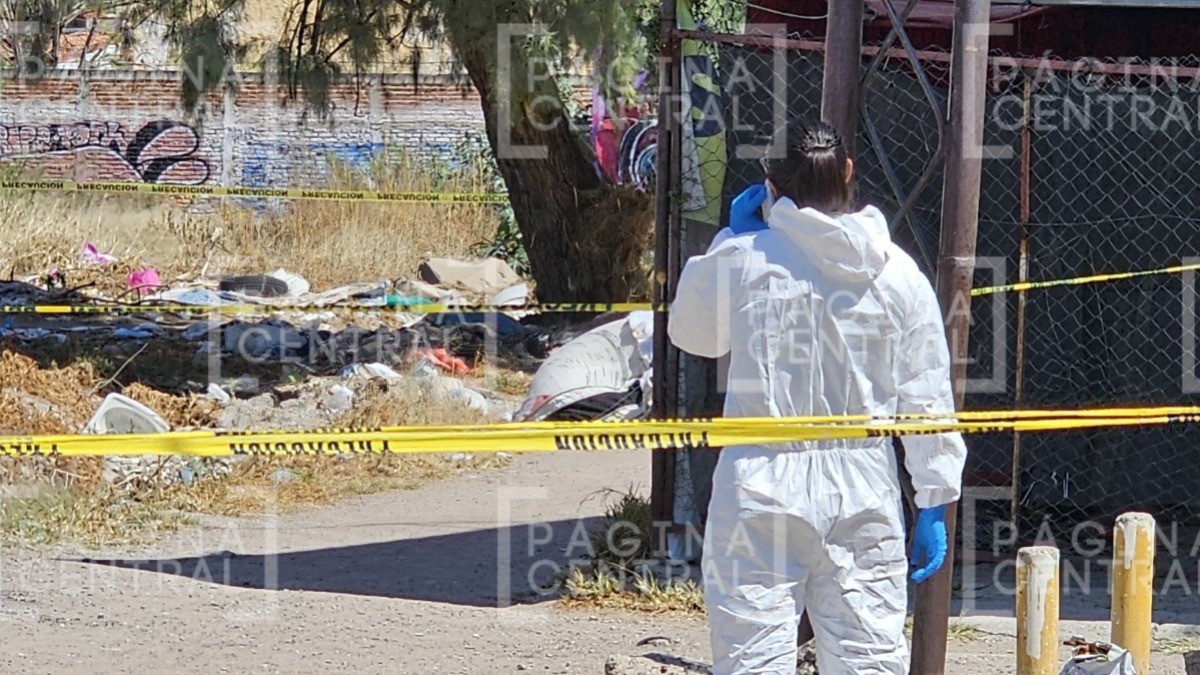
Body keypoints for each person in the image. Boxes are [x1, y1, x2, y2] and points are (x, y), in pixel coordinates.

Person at [667, 119, 967, 675]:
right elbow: (927, 393)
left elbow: (693, 335)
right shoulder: (897, 272)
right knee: (868, 657)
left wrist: (726, 242)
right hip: (863, 487)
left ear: (770, 187)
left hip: (760, 482)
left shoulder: (744, 259)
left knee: (752, 658)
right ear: (849, 173)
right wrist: (933, 499)